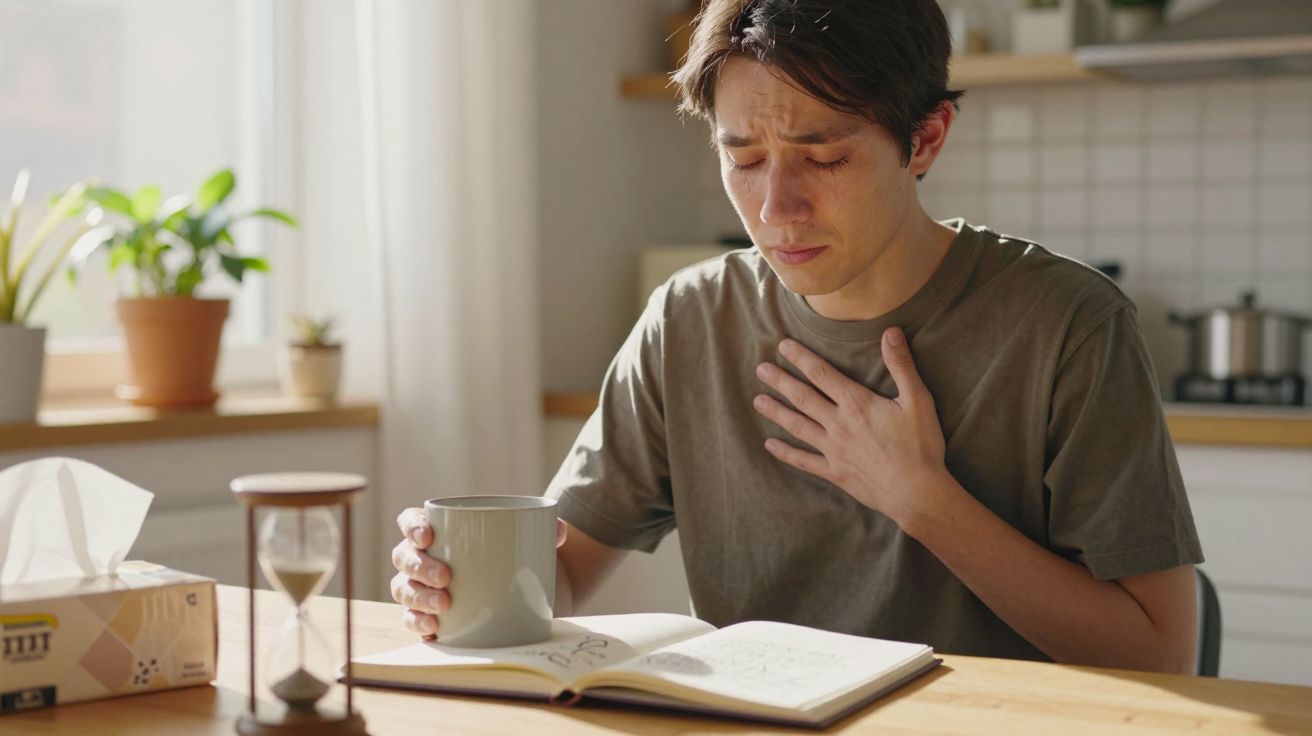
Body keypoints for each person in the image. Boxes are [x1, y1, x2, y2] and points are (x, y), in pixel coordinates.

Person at [391, 0, 1204, 673]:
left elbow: (1161, 654)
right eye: (742, 158)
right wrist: (453, 586)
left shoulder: (1068, 325)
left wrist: (923, 500)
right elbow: (560, 579)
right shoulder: (687, 321)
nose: (776, 208)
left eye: (822, 156)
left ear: (924, 140)